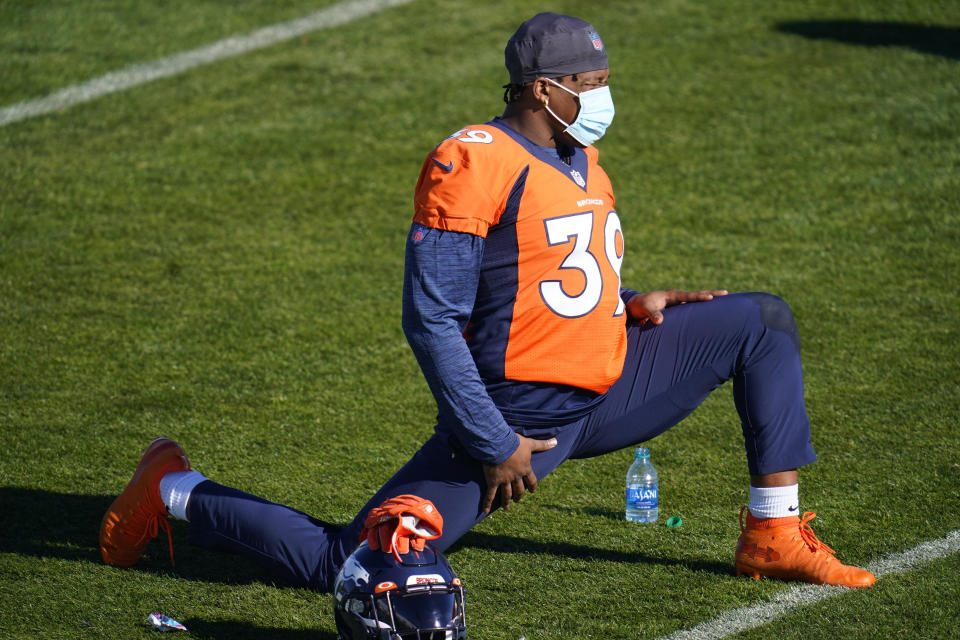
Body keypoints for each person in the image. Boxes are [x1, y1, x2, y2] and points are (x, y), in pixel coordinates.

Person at [100, 12, 875, 594]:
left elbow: (550, 272)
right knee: (353, 563)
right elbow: (430, 317)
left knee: (759, 321)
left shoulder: (580, 157)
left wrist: (633, 299)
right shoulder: (473, 160)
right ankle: (171, 485)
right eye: (591, 84)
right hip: (518, 423)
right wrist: (490, 438)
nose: (604, 98)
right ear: (545, 89)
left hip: (604, 384)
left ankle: (773, 533)